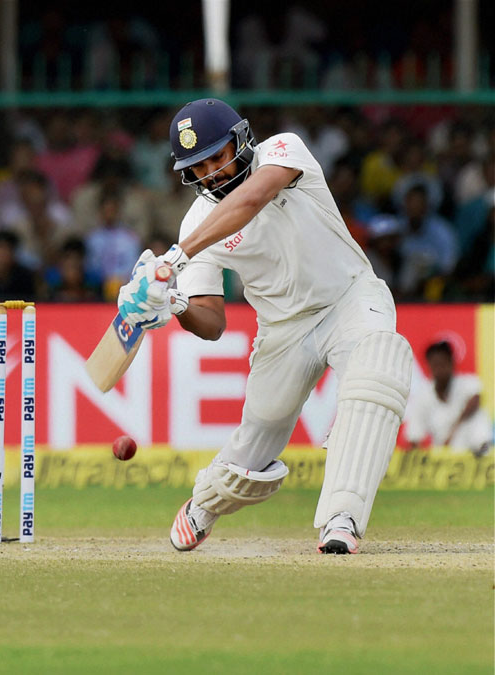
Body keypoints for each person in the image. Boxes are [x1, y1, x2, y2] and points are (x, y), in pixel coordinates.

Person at [117, 98, 413, 555]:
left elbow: (252, 199)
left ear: (241, 140)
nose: (212, 171)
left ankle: (342, 519)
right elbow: (212, 322)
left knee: (378, 369)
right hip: (283, 330)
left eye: (218, 155)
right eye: (199, 166)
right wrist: (174, 302)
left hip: (351, 298)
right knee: (259, 436)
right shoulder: (196, 223)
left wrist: (175, 257)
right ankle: (203, 504)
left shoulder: (283, 151)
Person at [404, 341, 492, 457]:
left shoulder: (468, 383)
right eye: (436, 364)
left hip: (475, 457)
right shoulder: (423, 395)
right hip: (445, 459)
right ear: (429, 365)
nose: (440, 369)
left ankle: (482, 452)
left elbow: (475, 400)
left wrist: (453, 429)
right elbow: (414, 435)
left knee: (478, 416)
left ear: (451, 362)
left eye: (443, 363)